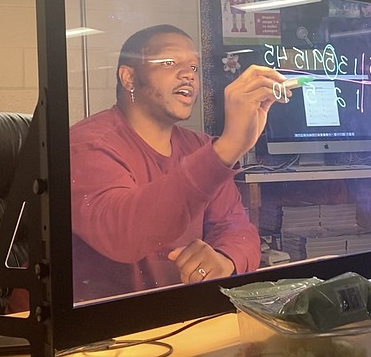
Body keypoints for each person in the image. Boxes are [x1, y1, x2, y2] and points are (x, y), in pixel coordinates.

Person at [70, 24, 290, 301]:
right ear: (129, 78)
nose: (188, 75)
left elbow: (237, 228)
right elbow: (123, 234)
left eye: (194, 68)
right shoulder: (87, 145)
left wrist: (224, 259)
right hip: (100, 331)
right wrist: (228, 146)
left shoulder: (197, 146)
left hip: (177, 320)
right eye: (169, 62)